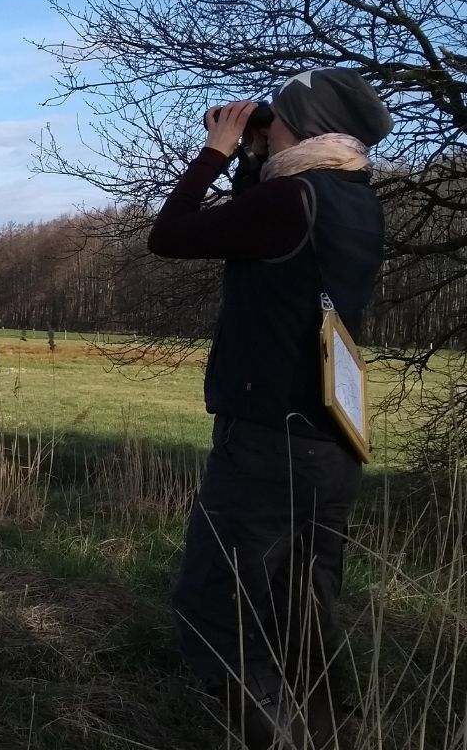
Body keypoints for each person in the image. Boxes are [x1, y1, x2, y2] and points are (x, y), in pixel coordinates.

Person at [147, 68, 392, 750]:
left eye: (275, 118)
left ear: (304, 128)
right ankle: (330, 736)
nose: (265, 126)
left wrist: (217, 153)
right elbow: (269, 239)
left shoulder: (290, 200)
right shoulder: (352, 196)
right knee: (302, 613)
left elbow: (169, 235)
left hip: (266, 443)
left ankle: (271, 740)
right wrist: (256, 162)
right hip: (330, 441)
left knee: (216, 608)